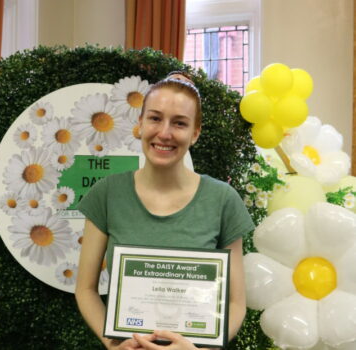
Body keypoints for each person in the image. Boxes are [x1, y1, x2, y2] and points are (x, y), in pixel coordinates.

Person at [75, 78, 255, 350]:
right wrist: (112, 345)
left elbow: (236, 302)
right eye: (155, 119)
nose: (164, 133)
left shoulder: (222, 200)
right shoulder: (107, 194)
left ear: (195, 133)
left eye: (180, 123)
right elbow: (86, 289)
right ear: (141, 124)